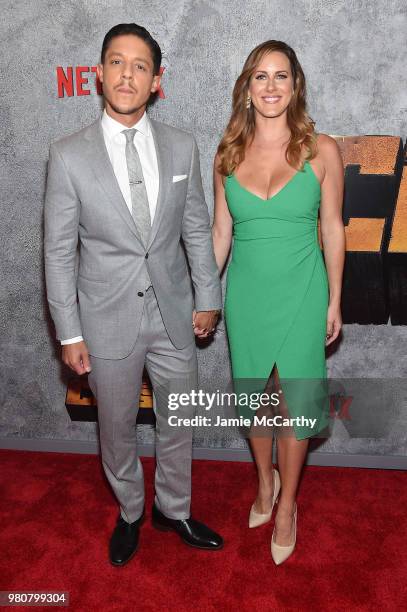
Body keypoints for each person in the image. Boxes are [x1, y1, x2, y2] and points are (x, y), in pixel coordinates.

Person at [44, 23, 223, 566]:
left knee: (181, 421)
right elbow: (57, 252)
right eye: (117, 62)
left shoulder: (183, 146)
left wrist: (208, 296)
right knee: (116, 429)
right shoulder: (68, 154)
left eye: (140, 65)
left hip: (175, 314)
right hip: (105, 321)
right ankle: (129, 511)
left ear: (156, 80)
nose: (128, 73)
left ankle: (175, 508)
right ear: (99, 74)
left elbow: (196, 228)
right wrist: (68, 332)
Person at [212, 40, 345, 564]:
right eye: (260, 77)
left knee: (294, 403)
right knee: (255, 400)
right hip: (246, 294)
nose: (271, 86)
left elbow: (332, 229)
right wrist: (203, 297)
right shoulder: (227, 154)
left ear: (296, 86)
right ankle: (262, 483)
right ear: (247, 87)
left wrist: (336, 299)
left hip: (304, 291)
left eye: (281, 76)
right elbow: (221, 235)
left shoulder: (321, 150)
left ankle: (286, 504)